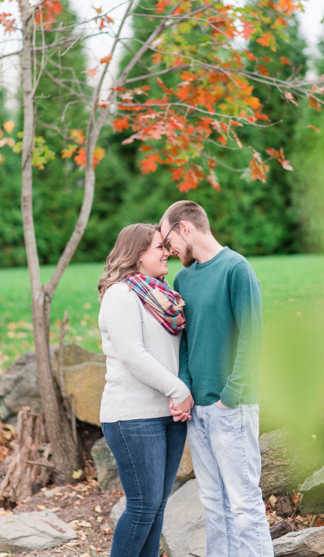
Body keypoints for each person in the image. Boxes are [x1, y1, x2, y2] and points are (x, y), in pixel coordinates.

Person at [161, 200, 273, 557]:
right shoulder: (183, 279)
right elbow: (185, 342)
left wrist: (231, 395)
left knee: (243, 504)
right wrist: (184, 389)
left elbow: (252, 337)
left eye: (167, 241)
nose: (168, 250)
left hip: (231, 407)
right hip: (198, 410)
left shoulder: (236, 269)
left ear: (185, 228)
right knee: (212, 503)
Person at [97, 223, 194, 557]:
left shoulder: (163, 295)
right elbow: (133, 355)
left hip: (169, 414)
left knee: (156, 507)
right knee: (142, 507)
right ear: (138, 254)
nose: (167, 252)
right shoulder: (120, 294)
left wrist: (179, 395)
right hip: (132, 417)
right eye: (158, 247)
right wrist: (179, 389)